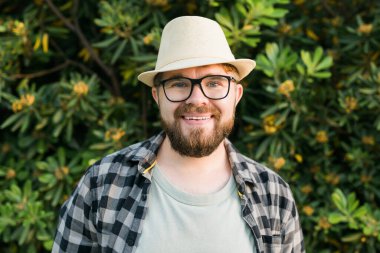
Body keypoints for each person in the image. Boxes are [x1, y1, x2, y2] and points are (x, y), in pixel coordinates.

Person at [52, 16, 304, 253]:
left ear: (236, 96)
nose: (197, 99)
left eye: (214, 83)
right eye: (179, 83)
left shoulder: (274, 194)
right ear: (157, 96)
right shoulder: (103, 184)